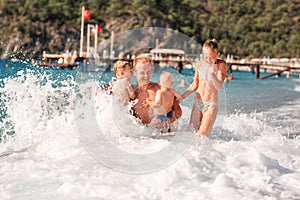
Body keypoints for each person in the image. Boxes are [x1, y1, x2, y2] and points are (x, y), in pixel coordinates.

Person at [181, 39, 227, 136]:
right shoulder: (199, 64)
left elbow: (219, 86)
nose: (208, 60)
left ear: (217, 55)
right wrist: (180, 98)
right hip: (197, 103)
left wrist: (213, 74)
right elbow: (195, 84)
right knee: (190, 134)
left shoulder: (220, 65)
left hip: (210, 106)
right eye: (205, 57)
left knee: (202, 136)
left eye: (211, 58)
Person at [131, 55, 182, 125]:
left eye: (148, 72)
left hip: (159, 133)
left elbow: (178, 111)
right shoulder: (131, 91)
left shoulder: (160, 89)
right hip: (140, 133)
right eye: (142, 73)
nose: (146, 76)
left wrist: (165, 124)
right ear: (134, 72)